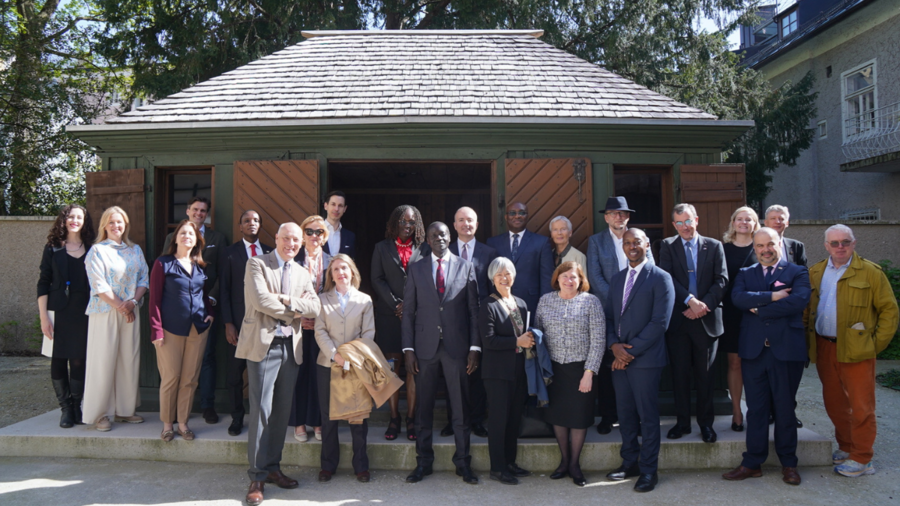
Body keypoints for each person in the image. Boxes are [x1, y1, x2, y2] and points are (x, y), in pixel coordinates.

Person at [804, 224, 899, 478]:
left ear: (854, 243)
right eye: (834, 243)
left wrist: (873, 345)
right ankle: (847, 447)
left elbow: (889, 312)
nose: (840, 247)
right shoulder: (815, 272)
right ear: (826, 246)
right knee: (834, 403)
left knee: (861, 405)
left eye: (845, 242)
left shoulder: (870, 272)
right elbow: (807, 310)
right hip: (825, 346)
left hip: (857, 349)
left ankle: (862, 457)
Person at [237, 222, 320, 506]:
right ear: (277, 238)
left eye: (296, 240)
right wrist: (294, 313)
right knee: (261, 411)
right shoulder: (257, 264)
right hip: (263, 345)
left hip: (291, 348)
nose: (291, 244)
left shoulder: (301, 271)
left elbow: (315, 307)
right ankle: (257, 476)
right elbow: (260, 301)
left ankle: (273, 468)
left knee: (282, 412)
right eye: (286, 238)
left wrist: (285, 299)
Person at [723, 227, 810, 486]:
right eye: (760, 246)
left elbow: (798, 301)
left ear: (779, 243)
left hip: (785, 351)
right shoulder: (746, 273)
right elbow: (738, 298)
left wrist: (758, 310)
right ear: (755, 248)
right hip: (753, 350)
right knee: (757, 410)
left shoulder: (797, 272)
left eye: (770, 244)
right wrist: (772, 297)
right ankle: (752, 462)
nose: (765, 250)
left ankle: (789, 464)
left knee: (784, 408)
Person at [402, 222, 480, 485]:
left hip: (457, 348)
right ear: (429, 240)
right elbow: (409, 313)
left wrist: (474, 347)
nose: (439, 239)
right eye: (434, 235)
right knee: (423, 409)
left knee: (460, 408)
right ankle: (423, 463)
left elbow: (473, 311)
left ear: (450, 237)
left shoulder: (466, 266)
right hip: (424, 349)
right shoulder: (416, 269)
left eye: (443, 234)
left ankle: (463, 464)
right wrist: (408, 349)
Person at [604, 228, 674, 493]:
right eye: (627, 243)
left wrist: (627, 353)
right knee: (625, 415)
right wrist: (613, 346)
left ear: (647, 245)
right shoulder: (617, 278)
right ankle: (629, 462)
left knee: (647, 417)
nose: (632, 246)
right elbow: (610, 317)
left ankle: (648, 471)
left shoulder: (661, 278)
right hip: (619, 358)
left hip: (645, 360)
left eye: (637, 242)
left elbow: (660, 323)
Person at [659, 203, 727, 443]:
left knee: (706, 376)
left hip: (706, 320)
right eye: (679, 223)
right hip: (679, 321)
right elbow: (667, 278)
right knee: (680, 375)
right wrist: (689, 301)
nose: (685, 227)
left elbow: (721, 280)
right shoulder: (667, 246)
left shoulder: (715, 245)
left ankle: (706, 425)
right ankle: (682, 423)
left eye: (688, 221)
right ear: (674, 225)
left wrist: (702, 306)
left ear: (696, 220)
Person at [586, 196, 654, 435]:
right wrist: (619, 301)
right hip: (607, 313)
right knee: (607, 368)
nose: (618, 217)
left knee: (634, 362)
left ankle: (635, 417)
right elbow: (594, 276)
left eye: (622, 213)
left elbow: (650, 270)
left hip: (638, 315)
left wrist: (631, 302)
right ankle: (607, 415)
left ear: (628, 217)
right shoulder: (595, 242)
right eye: (614, 213)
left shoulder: (639, 239)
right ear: (606, 218)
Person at [534, 261, 605, 487]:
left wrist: (589, 372)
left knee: (579, 418)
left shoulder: (591, 302)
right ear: (557, 278)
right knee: (558, 417)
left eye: (573, 277)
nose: (568, 280)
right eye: (564, 276)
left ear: (581, 280)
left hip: (580, 369)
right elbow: (537, 335)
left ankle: (574, 465)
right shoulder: (545, 301)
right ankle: (564, 461)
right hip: (553, 369)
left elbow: (598, 340)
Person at [82, 206, 150, 431]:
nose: (116, 226)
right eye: (111, 222)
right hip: (105, 311)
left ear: (126, 225)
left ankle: (124, 410)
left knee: (128, 360)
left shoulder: (135, 250)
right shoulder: (97, 251)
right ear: (104, 225)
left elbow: (144, 278)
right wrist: (122, 305)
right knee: (103, 361)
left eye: (120, 222)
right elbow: (99, 285)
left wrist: (132, 303)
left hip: (131, 310)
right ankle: (100, 413)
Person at [161, 196, 228, 425]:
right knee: (175, 368)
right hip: (175, 315)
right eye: (196, 209)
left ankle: (207, 405)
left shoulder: (217, 238)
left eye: (204, 211)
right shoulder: (173, 237)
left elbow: (221, 272)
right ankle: (171, 419)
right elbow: (164, 271)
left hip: (204, 311)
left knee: (206, 358)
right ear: (188, 210)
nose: (200, 213)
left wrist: (211, 300)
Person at [148, 219, 215, 442]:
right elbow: (154, 300)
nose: (187, 236)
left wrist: (210, 313)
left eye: (191, 234)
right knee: (171, 377)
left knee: (190, 378)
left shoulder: (199, 266)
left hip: (198, 329)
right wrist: (156, 330)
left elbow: (203, 295)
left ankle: (183, 424)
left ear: (197, 241)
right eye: (183, 233)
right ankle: (168, 424)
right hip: (170, 330)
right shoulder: (163, 263)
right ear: (175, 238)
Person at [314, 254, 374, 483]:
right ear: (331, 274)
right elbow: (319, 331)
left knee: (358, 417)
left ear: (352, 272)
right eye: (336, 269)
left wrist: (352, 357)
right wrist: (336, 356)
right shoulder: (321, 299)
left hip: (356, 366)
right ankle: (328, 466)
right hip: (327, 364)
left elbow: (368, 333)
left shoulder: (364, 300)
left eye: (344, 268)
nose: (340, 272)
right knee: (328, 418)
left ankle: (361, 466)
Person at [371, 205, 429, 441]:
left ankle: (411, 418)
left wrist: (410, 305)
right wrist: (396, 304)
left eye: (412, 222)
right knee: (392, 370)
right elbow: (376, 278)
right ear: (394, 223)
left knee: (413, 369)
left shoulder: (425, 248)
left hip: (417, 318)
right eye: (403, 222)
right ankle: (394, 418)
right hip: (389, 317)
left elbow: (429, 278)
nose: (407, 226)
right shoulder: (381, 248)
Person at [37, 204, 95, 428]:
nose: (75, 220)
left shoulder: (92, 248)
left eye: (79, 217)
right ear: (64, 219)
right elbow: (43, 282)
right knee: (59, 359)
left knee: (79, 359)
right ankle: (65, 410)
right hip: (58, 311)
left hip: (84, 310)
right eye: (71, 216)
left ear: (84, 221)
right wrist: (44, 317)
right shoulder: (53, 248)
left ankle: (77, 406)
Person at [444, 206, 498, 439]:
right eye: (461, 220)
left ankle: (476, 420)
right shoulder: (444, 251)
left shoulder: (489, 252)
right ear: (454, 225)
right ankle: (452, 420)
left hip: (481, 319)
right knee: (451, 371)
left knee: (477, 373)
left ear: (477, 225)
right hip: (452, 321)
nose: (466, 224)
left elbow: (494, 287)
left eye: (470, 221)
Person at [480, 256, 534, 485]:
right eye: (499, 274)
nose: (504, 277)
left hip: (519, 370)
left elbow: (524, 334)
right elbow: (489, 341)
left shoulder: (521, 303)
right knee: (498, 421)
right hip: (497, 373)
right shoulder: (488, 305)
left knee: (513, 420)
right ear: (492, 278)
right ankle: (497, 468)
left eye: (508, 273)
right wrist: (517, 341)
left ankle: (510, 463)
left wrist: (529, 339)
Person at [219, 210, 273, 437]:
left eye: (256, 221)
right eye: (247, 221)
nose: (252, 224)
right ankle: (237, 417)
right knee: (234, 376)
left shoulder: (271, 252)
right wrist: (228, 323)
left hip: (265, 324)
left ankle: (263, 419)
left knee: (264, 375)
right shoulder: (229, 253)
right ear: (240, 226)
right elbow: (224, 290)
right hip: (239, 325)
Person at [764, 204, 807, 428]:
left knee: (790, 371)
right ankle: (771, 411)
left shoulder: (796, 247)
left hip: (790, 316)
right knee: (769, 369)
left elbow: (803, 285)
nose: (778, 222)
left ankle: (789, 412)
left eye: (782, 218)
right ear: (765, 222)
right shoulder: (759, 247)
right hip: (765, 319)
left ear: (787, 222)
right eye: (773, 218)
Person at [289, 215, 331, 442]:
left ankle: (318, 422)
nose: (314, 236)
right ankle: (298, 422)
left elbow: (337, 295)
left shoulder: (333, 261)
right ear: (303, 236)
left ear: (324, 237)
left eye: (319, 232)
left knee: (320, 376)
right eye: (310, 231)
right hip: (297, 327)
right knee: (298, 375)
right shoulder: (293, 261)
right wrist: (299, 314)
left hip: (323, 328)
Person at [721, 206, 760, 432]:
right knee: (735, 363)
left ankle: (756, 411)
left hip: (757, 314)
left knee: (755, 364)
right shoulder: (722, 249)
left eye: (749, 219)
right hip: (731, 314)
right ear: (733, 222)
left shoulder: (761, 248)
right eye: (740, 219)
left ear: (755, 224)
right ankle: (737, 412)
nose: (744, 222)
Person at [487, 202, 554, 314]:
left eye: (521, 213)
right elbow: (489, 277)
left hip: (531, 304)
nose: (517, 216)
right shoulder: (493, 243)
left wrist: (545, 306)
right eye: (512, 213)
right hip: (500, 304)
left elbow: (546, 278)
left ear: (527, 216)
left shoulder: (541, 242)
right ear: (506, 217)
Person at [322, 190, 357, 260]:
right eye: (333, 204)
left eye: (340, 206)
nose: (336, 209)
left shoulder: (350, 237)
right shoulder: (315, 232)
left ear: (344, 209)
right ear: (326, 206)